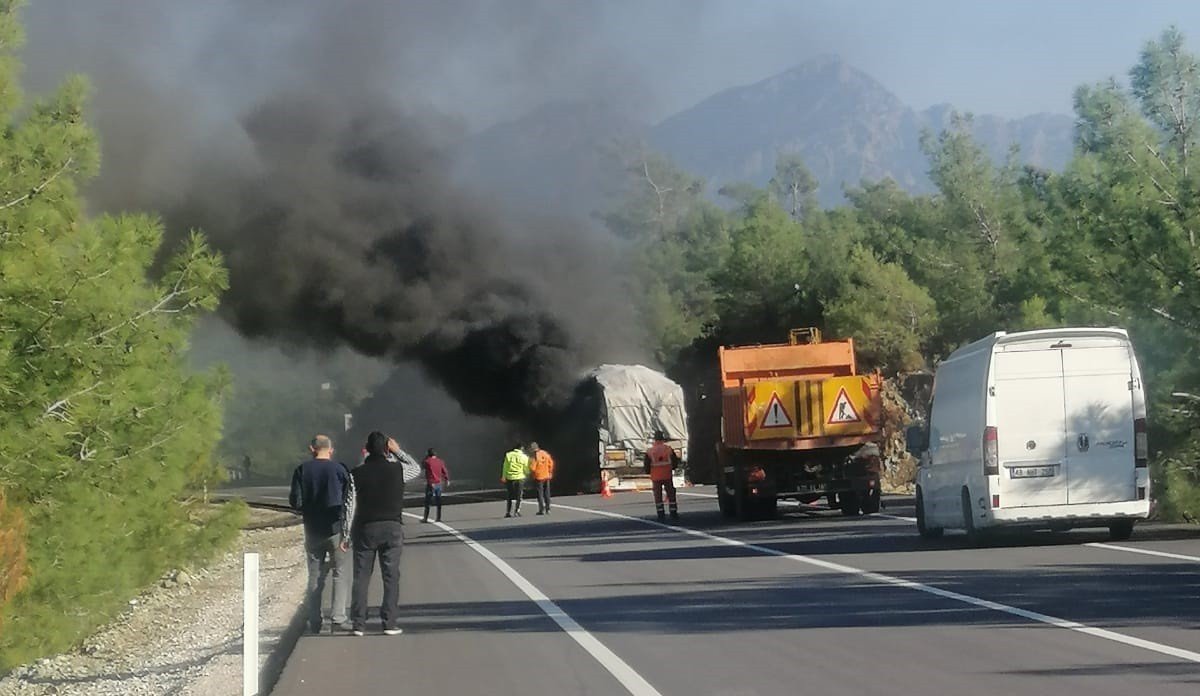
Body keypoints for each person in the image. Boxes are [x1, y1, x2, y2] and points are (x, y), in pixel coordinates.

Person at [289, 434, 356, 634]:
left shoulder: (302, 470)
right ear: (331, 450)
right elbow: (349, 499)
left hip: (312, 530)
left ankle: (315, 620)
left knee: (315, 576)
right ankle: (338, 617)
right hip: (336, 529)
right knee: (341, 572)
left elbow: (296, 501)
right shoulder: (340, 470)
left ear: (312, 449)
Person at [349, 431, 408, 636]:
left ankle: (359, 623)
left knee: (361, 576)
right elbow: (416, 469)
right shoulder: (398, 469)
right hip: (392, 526)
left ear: (366, 449)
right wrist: (398, 452)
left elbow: (350, 506)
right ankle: (389, 622)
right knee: (391, 576)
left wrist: (346, 534)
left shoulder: (356, 473)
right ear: (386, 448)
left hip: (365, 528)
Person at [644, 430, 681, 522]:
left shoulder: (650, 451)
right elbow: (675, 461)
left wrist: (649, 472)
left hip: (656, 477)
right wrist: (672, 468)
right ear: (663, 439)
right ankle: (673, 512)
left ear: (654, 439)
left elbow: (647, 465)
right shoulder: (668, 449)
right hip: (667, 475)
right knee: (671, 493)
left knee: (658, 495)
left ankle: (660, 513)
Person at [501, 442, 530, 518]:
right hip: (520, 477)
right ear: (522, 449)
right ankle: (517, 511)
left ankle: (508, 512)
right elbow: (526, 468)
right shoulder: (524, 457)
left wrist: (503, 476)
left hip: (510, 477)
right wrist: (527, 474)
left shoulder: (508, 455)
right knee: (519, 496)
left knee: (509, 496)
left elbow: (505, 467)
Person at [421, 448, 450, 523]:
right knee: (438, 501)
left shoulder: (427, 461)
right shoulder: (440, 461)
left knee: (428, 501)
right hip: (438, 483)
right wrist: (447, 479)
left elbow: (422, 465)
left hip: (431, 483)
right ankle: (438, 517)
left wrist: (425, 457)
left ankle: (425, 518)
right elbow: (444, 471)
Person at [528, 442, 555, 515]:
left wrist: (530, 468)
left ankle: (541, 509)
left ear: (532, 449)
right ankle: (548, 509)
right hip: (546, 476)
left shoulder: (535, 456)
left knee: (540, 494)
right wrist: (550, 472)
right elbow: (551, 463)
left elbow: (533, 468)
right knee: (547, 493)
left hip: (539, 477)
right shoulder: (545, 453)